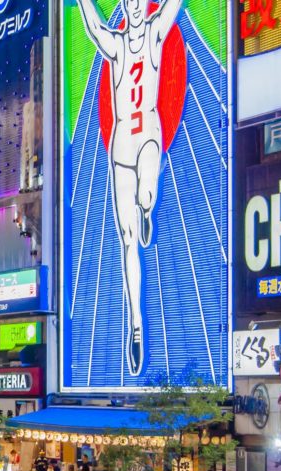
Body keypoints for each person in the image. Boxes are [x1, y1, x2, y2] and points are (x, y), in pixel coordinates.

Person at [75, 0, 182, 374]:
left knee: (147, 191)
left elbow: (173, 7)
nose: (136, 6)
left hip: (149, 136)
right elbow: (92, 27)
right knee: (126, 237)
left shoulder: (155, 34)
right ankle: (136, 326)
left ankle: (149, 205)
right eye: (129, 1)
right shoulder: (117, 46)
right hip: (120, 147)